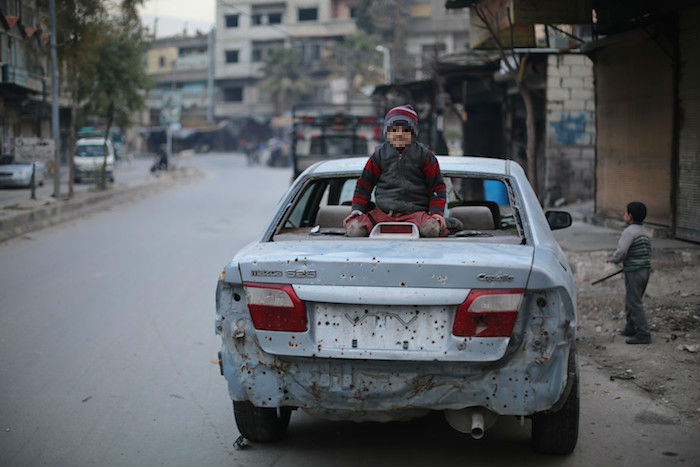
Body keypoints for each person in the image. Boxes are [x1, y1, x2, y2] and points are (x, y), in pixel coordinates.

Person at [343, 105, 448, 238]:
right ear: (387, 133)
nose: (399, 134)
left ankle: (447, 224)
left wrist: (436, 213)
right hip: (383, 215)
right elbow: (364, 185)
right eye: (394, 130)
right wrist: (357, 210)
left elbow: (437, 188)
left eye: (405, 130)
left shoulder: (425, 156)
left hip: (415, 215)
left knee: (431, 230)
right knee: (354, 230)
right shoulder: (378, 156)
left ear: (413, 133)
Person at [607, 201, 652, 344]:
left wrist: (614, 259)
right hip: (645, 270)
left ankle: (643, 333)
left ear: (630, 216)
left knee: (634, 302)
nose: (624, 215)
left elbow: (622, 251)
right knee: (632, 299)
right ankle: (631, 327)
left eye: (625, 213)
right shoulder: (645, 231)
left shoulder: (629, 232)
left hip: (634, 271)